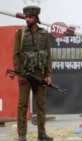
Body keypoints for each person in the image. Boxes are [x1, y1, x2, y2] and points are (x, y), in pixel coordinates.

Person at [13, 6, 53, 141]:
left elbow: (48, 55)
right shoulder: (20, 33)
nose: (27, 19)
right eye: (26, 17)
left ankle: (42, 134)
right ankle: (22, 135)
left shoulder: (44, 33)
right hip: (25, 74)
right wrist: (19, 74)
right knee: (22, 105)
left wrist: (48, 74)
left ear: (36, 18)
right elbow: (16, 55)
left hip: (40, 74)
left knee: (41, 105)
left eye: (30, 17)